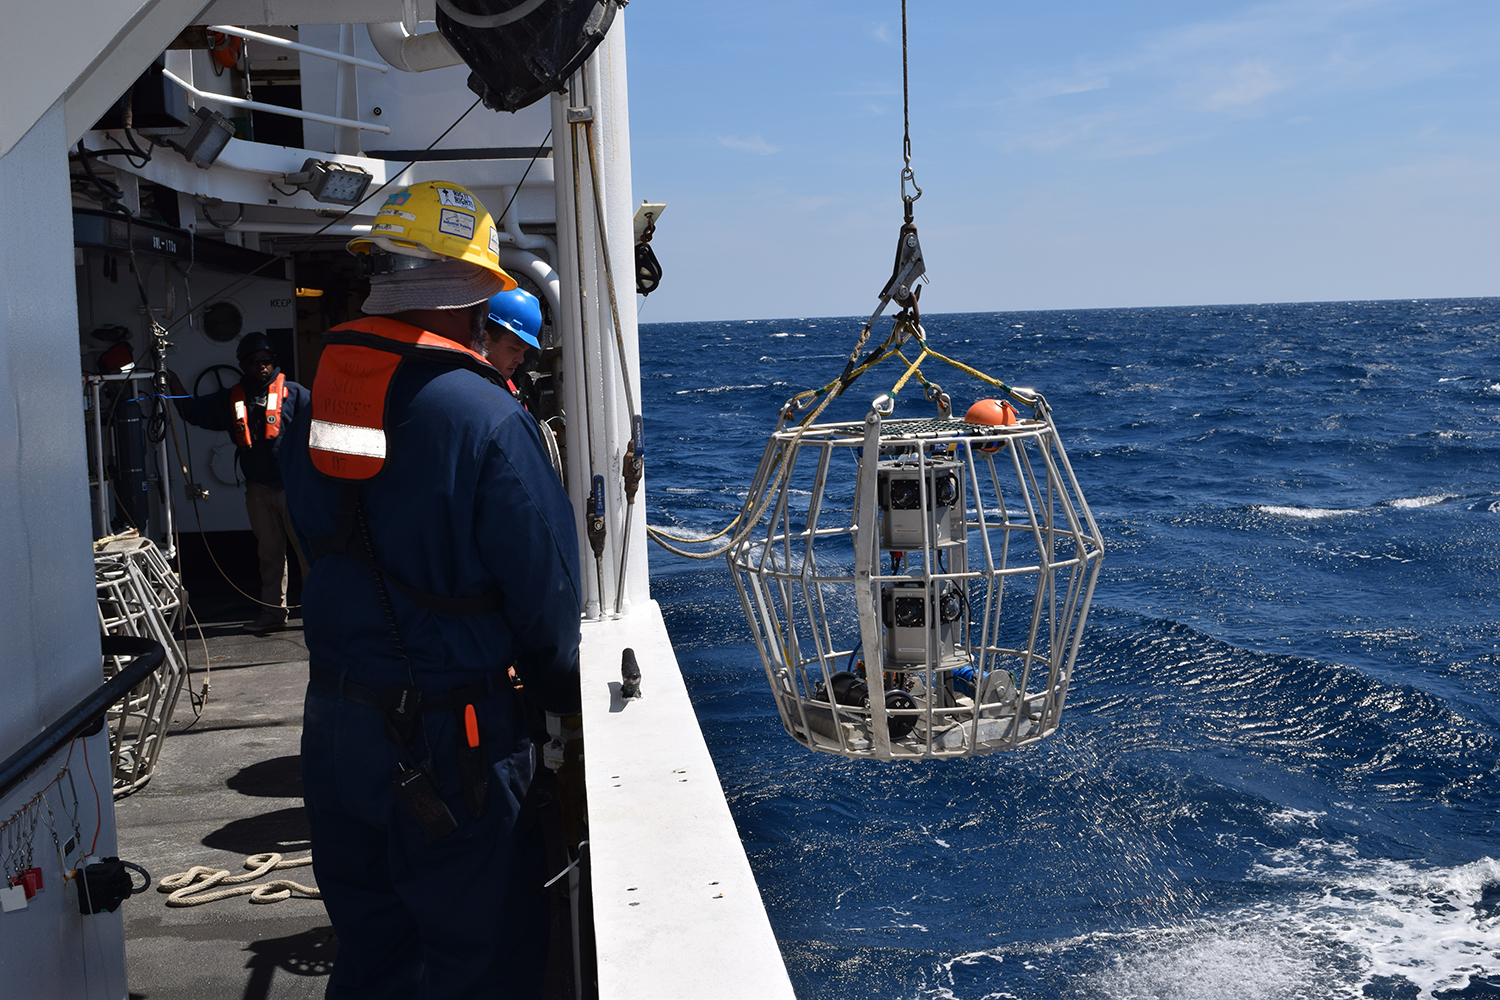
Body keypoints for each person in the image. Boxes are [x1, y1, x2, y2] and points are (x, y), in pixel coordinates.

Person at [278, 180, 582, 999]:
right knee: (479, 956)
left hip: (338, 726)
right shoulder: (486, 416)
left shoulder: (323, 400)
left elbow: (329, 525)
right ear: (476, 295)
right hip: (455, 739)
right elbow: (547, 596)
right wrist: (558, 697)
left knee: (374, 949)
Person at [169, 333, 310, 633]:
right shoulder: (230, 399)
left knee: (307, 553)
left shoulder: (296, 395)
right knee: (269, 556)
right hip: (258, 488)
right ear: (242, 365)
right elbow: (193, 412)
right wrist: (173, 385)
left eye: (265, 360)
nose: (260, 366)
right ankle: (273, 614)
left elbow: (322, 429)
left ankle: (320, 613)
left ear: (273, 361)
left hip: (293, 489)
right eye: (252, 361)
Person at [482, 287, 543, 388]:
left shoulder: (506, 386)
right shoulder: (464, 386)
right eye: (514, 349)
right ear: (484, 339)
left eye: (524, 351)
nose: (520, 360)